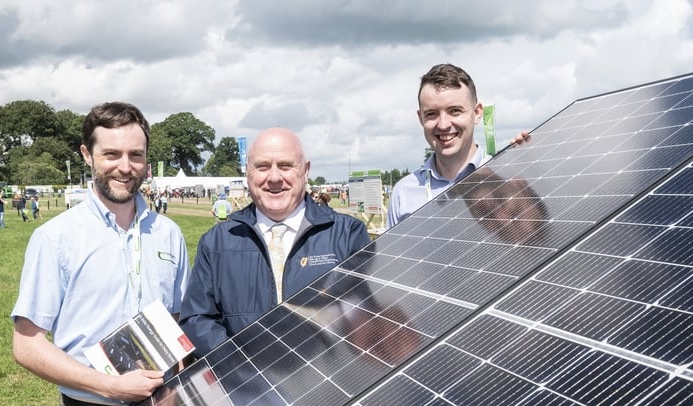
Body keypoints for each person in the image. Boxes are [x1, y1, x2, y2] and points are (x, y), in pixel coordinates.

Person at [10, 102, 192, 406]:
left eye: (135, 155)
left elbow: (179, 319)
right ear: (87, 155)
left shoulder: (169, 233)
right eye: (111, 154)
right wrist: (108, 385)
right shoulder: (55, 238)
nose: (125, 167)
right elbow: (27, 345)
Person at [179, 127, 371, 356]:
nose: (274, 177)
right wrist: (239, 367)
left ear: (306, 170)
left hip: (331, 382)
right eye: (262, 166)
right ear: (248, 172)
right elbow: (196, 319)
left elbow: (367, 313)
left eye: (285, 165)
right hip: (242, 387)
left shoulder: (347, 235)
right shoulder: (216, 242)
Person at [387, 63, 529, 228]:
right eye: (431, 114)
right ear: (421, 118)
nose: (443, 124)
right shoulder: (403, 193)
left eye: (455, 111)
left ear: (476, 113)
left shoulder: (508, 176)